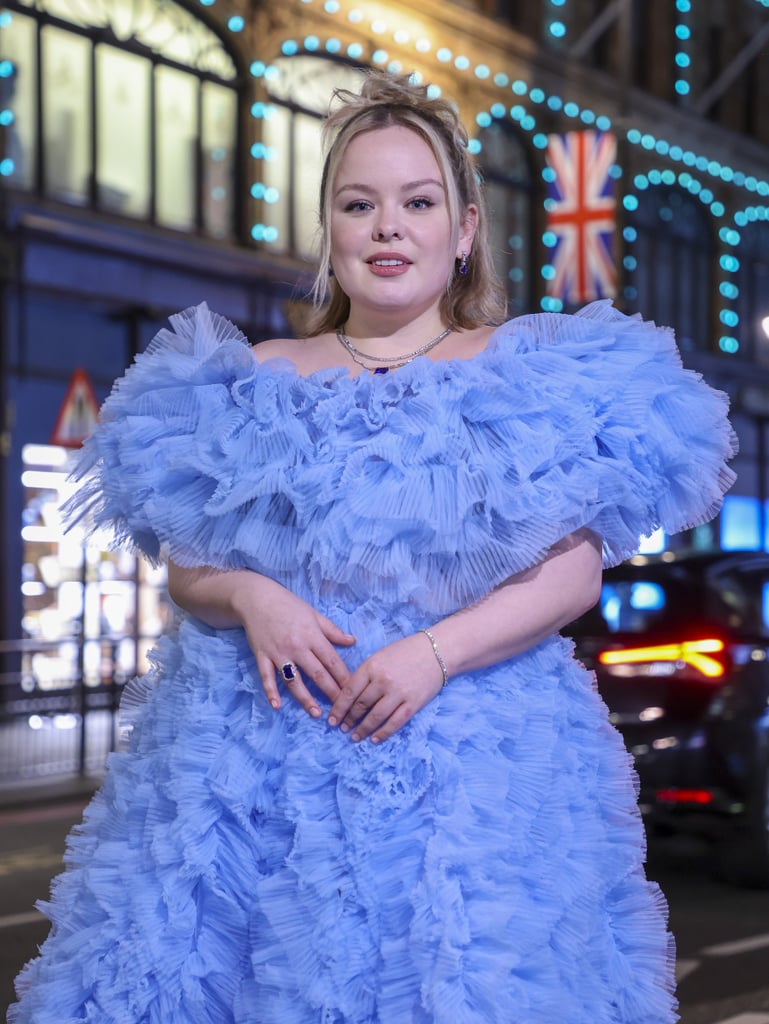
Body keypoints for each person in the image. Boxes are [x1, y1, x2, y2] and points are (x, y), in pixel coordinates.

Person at [9, 72, 736, 1024]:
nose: (387, 226)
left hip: (467, 759)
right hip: (257, 756)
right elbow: (189, 565)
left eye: (417, 202)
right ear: (329, 230)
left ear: (464, 227)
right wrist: (251, 599)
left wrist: (433, 654)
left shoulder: (523, 377)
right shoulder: (252, 380)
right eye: (359, 204)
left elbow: (571, 570)